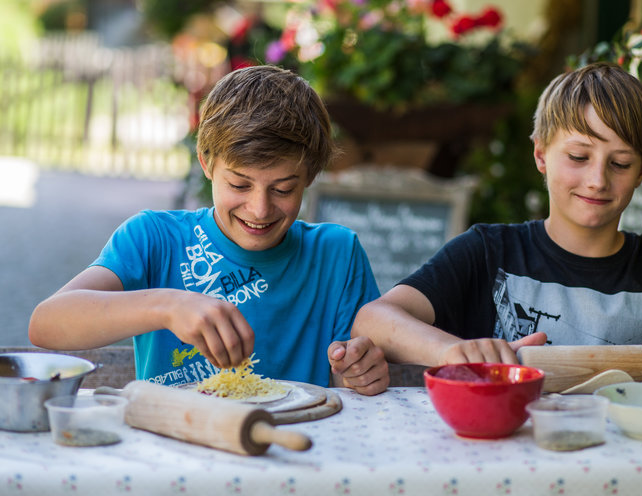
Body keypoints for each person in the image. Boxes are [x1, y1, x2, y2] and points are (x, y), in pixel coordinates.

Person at [351, 62, 642, 388]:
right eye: (578, 157)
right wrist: (455, 351)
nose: (598, 180)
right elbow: (374, 319)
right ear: (540, 155)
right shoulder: (488, 252)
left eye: (620, 163)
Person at [29, 65, 389, 395]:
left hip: (294, 445)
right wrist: (167, 305)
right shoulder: (153, 238)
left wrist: (360, 371)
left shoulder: (337, 254)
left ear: (309, 176)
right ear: (206, 163)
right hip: (175, 446)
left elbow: (350, 376)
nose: (259, 209)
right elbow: (47, 324)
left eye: (282, 189)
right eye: (239, 185)